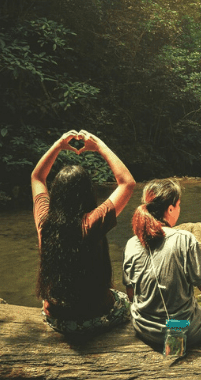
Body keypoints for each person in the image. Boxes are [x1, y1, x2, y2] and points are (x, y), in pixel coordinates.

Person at [31, 130, 136, 335]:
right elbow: (127, 183)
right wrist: (99, 145)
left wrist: (58, 145)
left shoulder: (44, 222)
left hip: (57, 318)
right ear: (88, 192)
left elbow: (37, 177)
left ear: (57, 194)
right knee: (123, 300)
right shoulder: (92, 223)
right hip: (94, 315)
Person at [122, 178, 201, 348]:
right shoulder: (184, 239)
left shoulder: (132, 243)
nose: (179, 209)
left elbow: (132, 295)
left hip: (143, 328)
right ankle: (174, 348)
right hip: (177, 332)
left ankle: (172, 346)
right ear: (170, 208)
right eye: (179, 205)